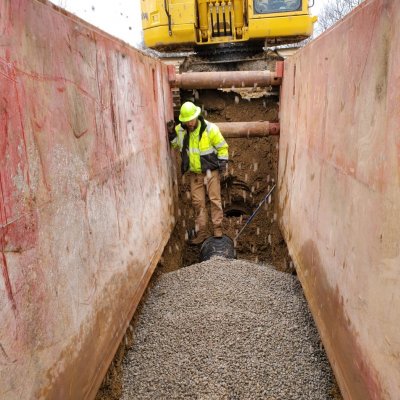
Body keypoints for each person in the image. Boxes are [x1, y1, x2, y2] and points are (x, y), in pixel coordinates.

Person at [167, 101, 229, 245]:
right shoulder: (181, 130)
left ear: (197, 116)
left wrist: (223, 163)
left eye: (191, 120)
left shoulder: (210, 129)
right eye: (187, 121)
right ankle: (202, 234)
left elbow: (222, 147)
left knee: (215, 200)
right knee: (198, 203)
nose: (190, 123)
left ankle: (218, 231)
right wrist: (171, 134)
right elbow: (177, 144)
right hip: (195, 174)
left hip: (211, 171)